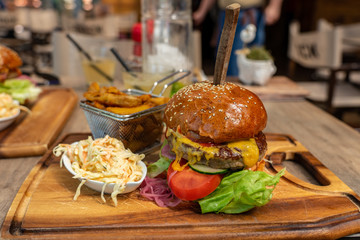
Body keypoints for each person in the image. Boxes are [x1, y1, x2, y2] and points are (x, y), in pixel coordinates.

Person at [193, 0, 283, 77]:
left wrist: (274, 5)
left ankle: (244, 95)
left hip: (249, 13)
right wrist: (202, 10)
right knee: (226, 66)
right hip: (226, 13)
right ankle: (231, 95)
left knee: (252, 66)